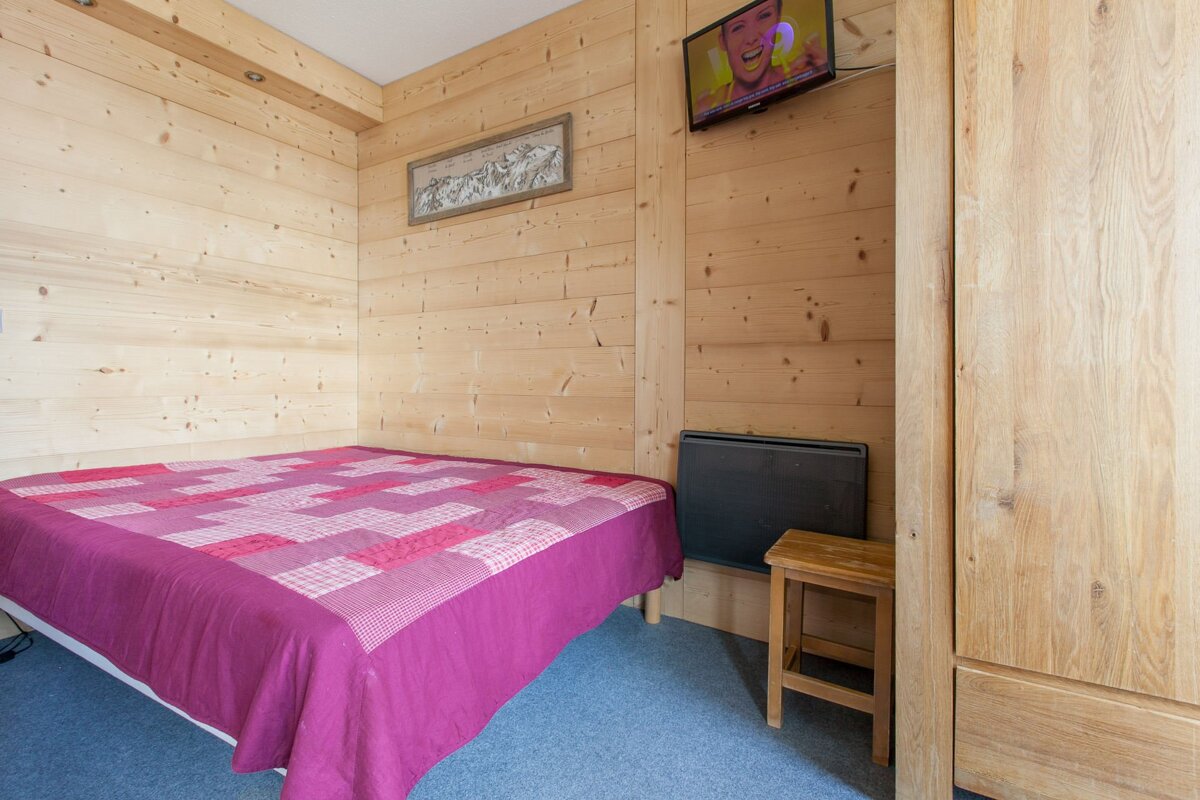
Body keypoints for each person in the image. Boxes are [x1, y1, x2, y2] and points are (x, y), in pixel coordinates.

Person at [695, 0, 829, 118]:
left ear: (778, 20)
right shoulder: (709, 106)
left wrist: (824, 72)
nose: (751, 38)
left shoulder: (805, 72)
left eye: (764, 16)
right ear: (723, 41)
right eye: (737, 27)